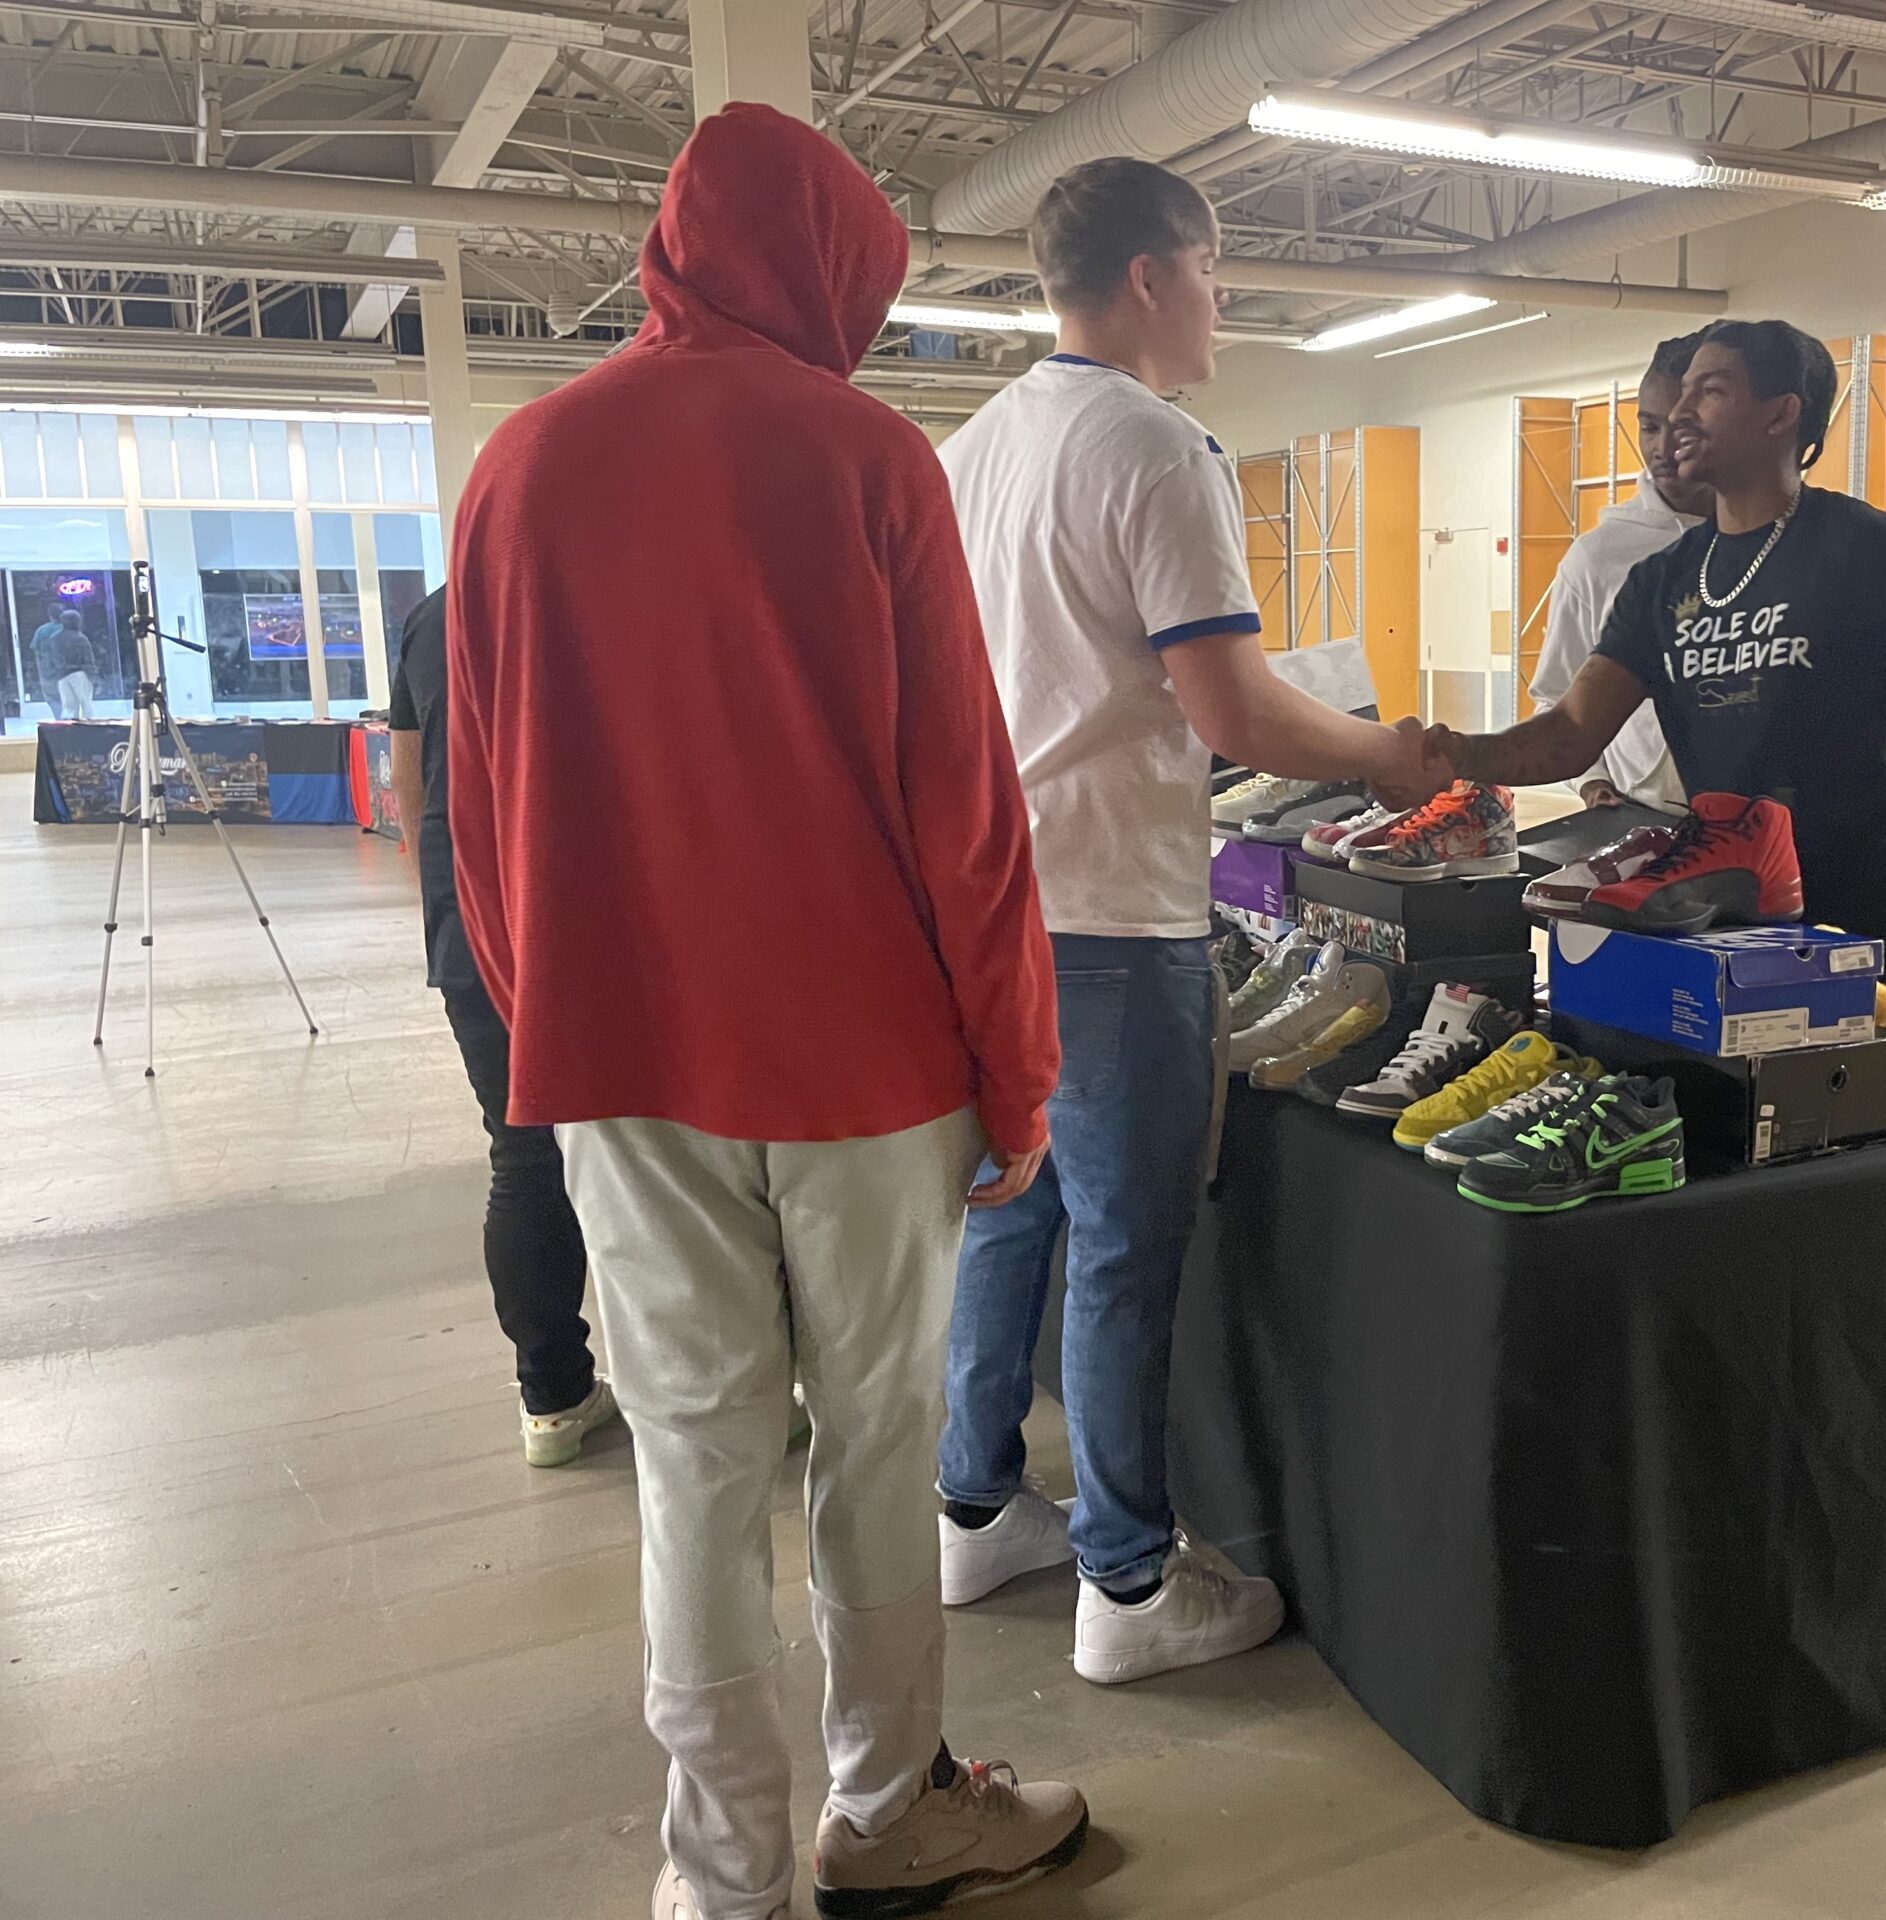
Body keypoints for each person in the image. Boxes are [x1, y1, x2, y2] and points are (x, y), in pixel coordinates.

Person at [444, 105, 1087, 1920]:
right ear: (824, 271)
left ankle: (718, 1875)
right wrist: (1015, 1076)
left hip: (621, 1063)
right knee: (877, 1440)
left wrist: (545, 1029)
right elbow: (964, 810)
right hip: (869, 1065)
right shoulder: (868, 458)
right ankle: (887, 1817)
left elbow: (479, 809)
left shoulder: (519, 467)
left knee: (696, 1455)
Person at [934, 156, 1449, 1685]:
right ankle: (1132, 1581)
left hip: (1000, 902)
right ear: (1153, 276)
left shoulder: (972, 449)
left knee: (1008, 1216)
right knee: (1124, 1248)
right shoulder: (1157, 448)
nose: (1226, 300)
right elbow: (1230, 705)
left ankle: (972, 1508)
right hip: (1115, 914)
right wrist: (1387, 752)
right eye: (1217, 271)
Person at [1432, 317, 1886, 1028]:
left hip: (1878, 909)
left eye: (1710, 392)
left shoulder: (1870, 549)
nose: (1681, 414)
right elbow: (1570, 733)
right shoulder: (1662, 581)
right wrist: (1450, 755)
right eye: (1682, 393)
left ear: (1782, 413)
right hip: (1734, 906)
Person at [386, 586, 615, 1469]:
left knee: (523, 1157)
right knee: (670, 1155)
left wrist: (446, 905)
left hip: (469, 920)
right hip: (595, 914)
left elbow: (411, 788)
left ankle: (551, 1399)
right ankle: (716, 1384)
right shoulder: (600, 586)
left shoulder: (430, 617)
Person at [1527, 330, 1716, 816]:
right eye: (1650, 427)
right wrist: (1591, 781)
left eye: (1686, 427)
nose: (1664, 447)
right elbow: (1556, 697)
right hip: (1643, 815)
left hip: (1769, 825)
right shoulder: (1600, 556)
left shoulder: (1791, 544)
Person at [37, 606, 97, 719]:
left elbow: (49, 658)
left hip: (62, 676)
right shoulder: (80, 638)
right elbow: (88, 659)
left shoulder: (54, 638)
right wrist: (93, 675)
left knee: (69, 707)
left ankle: (67, 731)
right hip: (80, 674)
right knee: (86, 705)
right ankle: (89, 729)